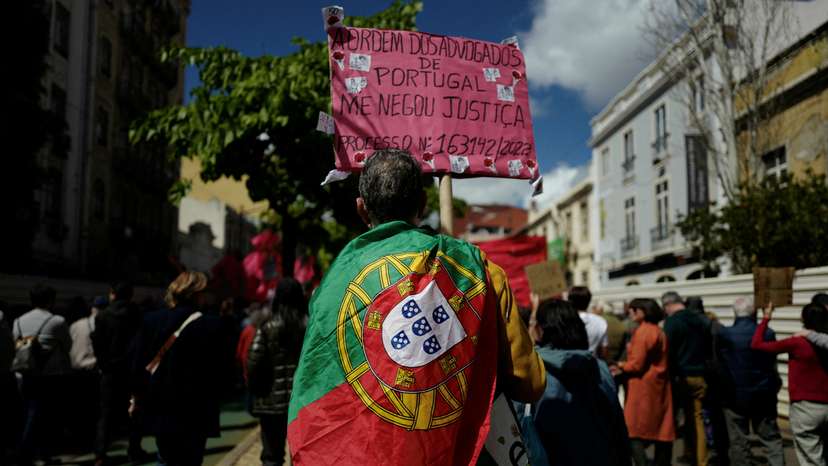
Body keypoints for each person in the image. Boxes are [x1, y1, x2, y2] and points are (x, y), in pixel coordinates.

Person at [287, 149, 545, 466]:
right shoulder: (481, 272)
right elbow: (529, 382)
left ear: (361, 209)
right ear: (423, 205)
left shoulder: (329, 290)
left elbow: (317, 385)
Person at [519, 298, 630, 466]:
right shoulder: (599, 367)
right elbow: (616, 422)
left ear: (541, 330)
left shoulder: (532, 371)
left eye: (535, 323)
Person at [131, 272, 225, 466]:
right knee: (192, 459)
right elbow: (220, 371)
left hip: (161, 406)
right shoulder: (212, 325)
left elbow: (137, 365)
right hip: (196, 410)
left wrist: (135, 398)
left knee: (165, 457)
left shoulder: (151, 321)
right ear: (198, 294)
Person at [752, 302, 828, 465]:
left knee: (811, 458)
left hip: (805, 407)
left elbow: (756, 344)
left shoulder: (796, 343)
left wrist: (766, 318)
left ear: (803, 319)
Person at [715, 296, 784, 465]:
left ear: (735, 313)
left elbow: (719, 363)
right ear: (754, 313)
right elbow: (772, 361)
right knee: (771, 438)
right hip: (763, 393)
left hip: (735, 395)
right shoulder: (768, 333)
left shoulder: (724, 334)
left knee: (739, 440)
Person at [247, 278, 307, 466]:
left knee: (272, 456)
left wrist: (259, 390)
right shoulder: (309, 326)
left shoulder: (267, 327)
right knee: (302, 454)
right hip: (303, 403)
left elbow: (253, 363)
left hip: (271, 403)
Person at [611, 298, 675, 466]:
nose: (630, 313)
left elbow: (636, 364)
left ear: (642, 312)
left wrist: (620, 365)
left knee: (633, 430)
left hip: (642, 387)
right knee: (662, 429)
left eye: (633, 310)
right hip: (658, 385)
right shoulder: (658, 330)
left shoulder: (644, 332)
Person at [13, 284, 71, 464]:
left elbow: (15, 344)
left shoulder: (19, 321)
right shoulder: (57, 321)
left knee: (30, 412)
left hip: (25, 374)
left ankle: (39, 454)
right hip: (49, 375)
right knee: (43, 416)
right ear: (50, 300)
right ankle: (28, 454)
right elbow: (67, 346)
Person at [92, 282, 145, 464]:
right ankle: (134, 449)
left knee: (105, 413)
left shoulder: (103, 315)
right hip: (132, 370)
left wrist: (104, 365)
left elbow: (97, 344)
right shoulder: (137, 314)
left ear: (112, 294)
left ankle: (100, 453)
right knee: (135, 411)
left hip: (110, 371)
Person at [662, 290, 710, 466]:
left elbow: (666, 351)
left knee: (675, 419)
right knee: (695, 418)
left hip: (680, 376)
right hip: (701, 375)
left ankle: (690, 457)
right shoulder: (700, 320)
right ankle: (697, 458)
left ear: (668, 305)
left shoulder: (672, 322)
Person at [569, 286, 608, 358]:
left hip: (570, 364)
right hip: (593, 364)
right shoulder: (601, 321)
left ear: (570, 301)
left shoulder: (565, 321)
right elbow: (604, 352)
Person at [70, 295, 106, 371]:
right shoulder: (104, 325)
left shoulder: (75, 325)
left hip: (74, 367)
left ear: (92, 308)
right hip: (92, 368)